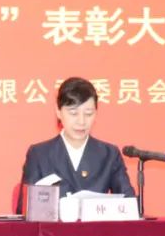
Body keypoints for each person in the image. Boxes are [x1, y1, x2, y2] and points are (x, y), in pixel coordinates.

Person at [18, 76, 134, 211]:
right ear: (58, 112)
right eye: (73, 113)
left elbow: (129, 204)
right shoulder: (39, 154)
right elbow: (24, 209)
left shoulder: (109, 154)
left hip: (96, 225)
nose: (81, 121)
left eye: (88, 114)